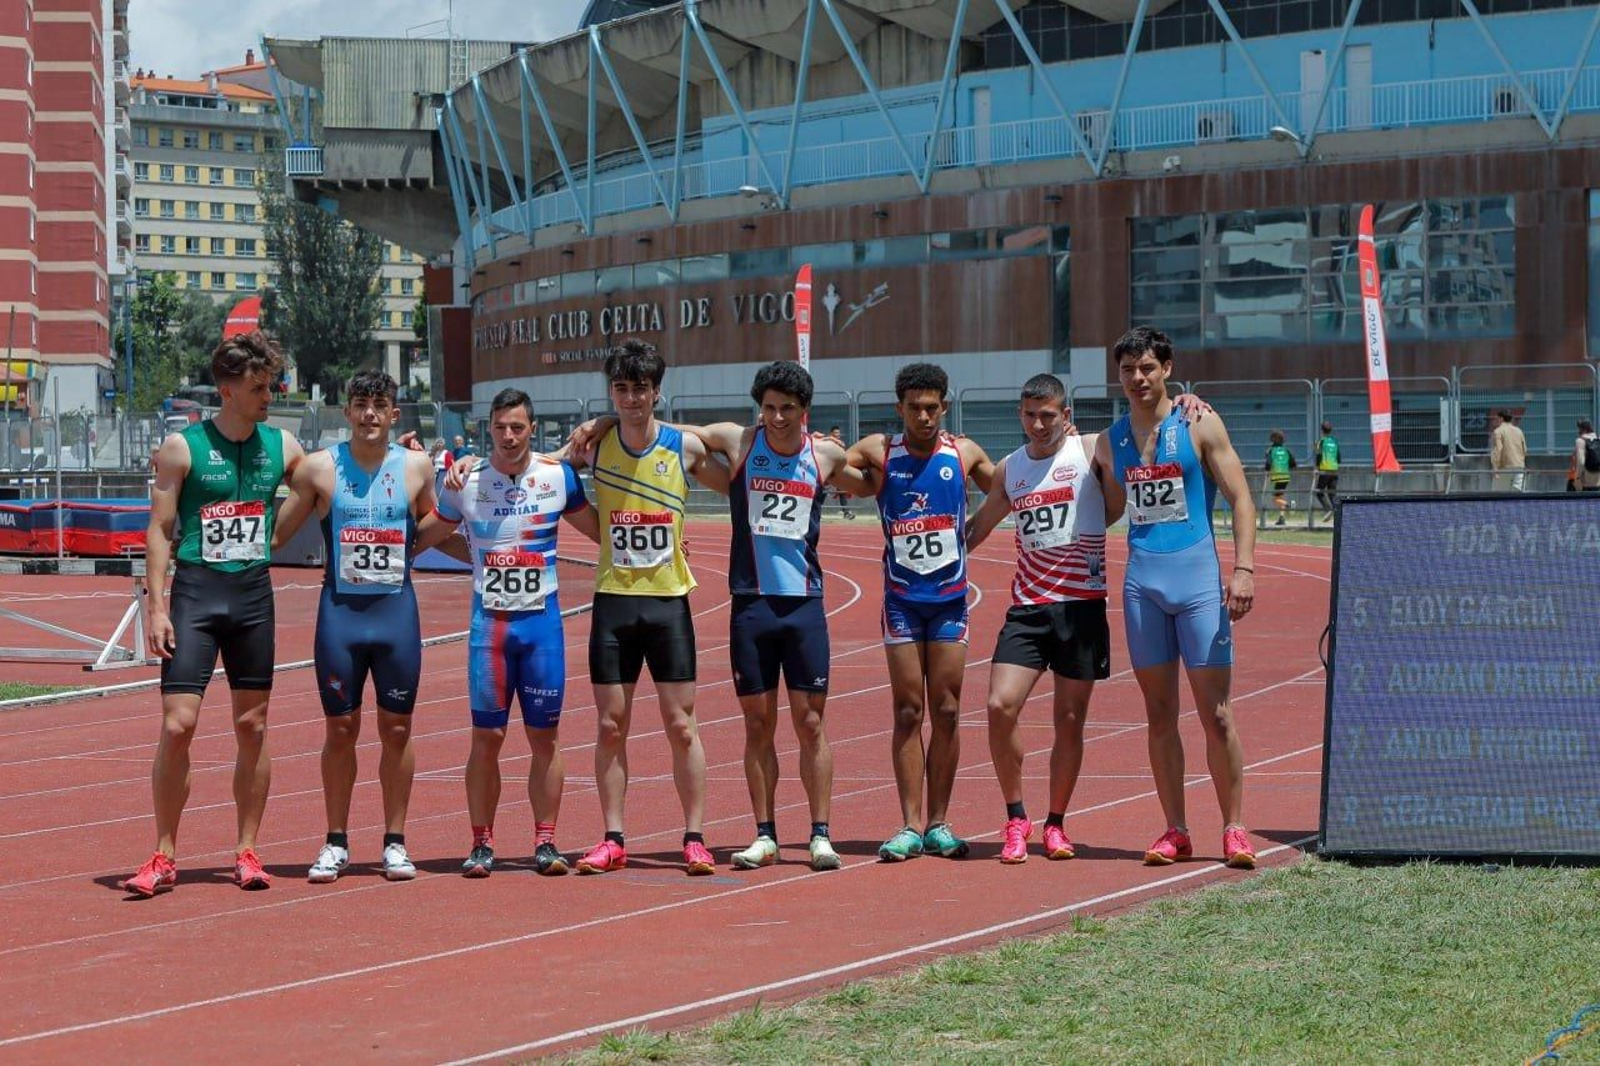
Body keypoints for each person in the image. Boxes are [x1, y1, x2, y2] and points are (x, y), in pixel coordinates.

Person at [572, 362, 868, 872]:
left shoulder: (824, 454)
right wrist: (604, 423)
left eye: (788, 410)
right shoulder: (739, 441)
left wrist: (898, 448)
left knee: (811, 721)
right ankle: (765, 834)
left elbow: (868, 481)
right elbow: (674, 433)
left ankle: (820, 833)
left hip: (803, 605)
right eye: (769, 408)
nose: (777, 418)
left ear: (805, 412)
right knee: (757, 723)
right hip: (750, 602)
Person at [121, 331, 306, 898]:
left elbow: (325, 486)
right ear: (227, 390)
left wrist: (277, 533)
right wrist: (156, 607)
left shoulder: (285, 446)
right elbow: (158, 529)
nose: (268, 394)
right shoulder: (184, 448)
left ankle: (247, 849)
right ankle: (163, 853)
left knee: (253, 726)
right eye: (257, 387)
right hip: (197, 594)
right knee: (179, 725)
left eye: (270, 384)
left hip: (252, 597)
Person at [416, 389, 598, 877]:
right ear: (489, 429)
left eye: (518, 427)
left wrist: (667, 529)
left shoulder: (559, 477)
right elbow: (423, 536)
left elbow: (603, 531)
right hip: (489, 632)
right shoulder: (466, 482)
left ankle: (545, 841)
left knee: (546, 738)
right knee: (487, 737)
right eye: (501, 427)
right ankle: (481, 844)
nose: (510, 436)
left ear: (531, 429)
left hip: (542, 629)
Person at [1099, 325, 1258, 869]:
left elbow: (1241, 497)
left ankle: (1234, 827)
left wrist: (1243, 569)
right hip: (1142, 584)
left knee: (1215, 713)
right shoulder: (1110, 439)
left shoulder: (1199, 421)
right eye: (1127, 370)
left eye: (1147, 368)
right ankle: (1176, 829)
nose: (1137, 378)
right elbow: (1112, 507)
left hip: (1197, 582)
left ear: (1167, 368)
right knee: (1159, 713)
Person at [569, 339, 728, 875]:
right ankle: (613, 837)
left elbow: (739, 480)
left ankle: (694, 838)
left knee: (682, 725)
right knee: (611, 726)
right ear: (611, 393)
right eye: (622, 389)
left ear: (657, 392)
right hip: (614, 602)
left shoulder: (684, 448)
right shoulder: (593, 446)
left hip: (667, 606)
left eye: (641, 388)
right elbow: (539, 471)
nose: (632, 398)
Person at [272, 370, 437, 883]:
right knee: (341, 729)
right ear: (347, 412)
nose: (369, 413)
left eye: (380, 404)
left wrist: (486, 542)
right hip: (340, 617)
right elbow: (276, 536)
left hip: (396, 616)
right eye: (360, 403)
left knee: (398, 728)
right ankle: (336, 841)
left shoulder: (416, 466)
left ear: (394, 414)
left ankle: (395, 842)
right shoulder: (320, 469)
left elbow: (433, 527)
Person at [843, 363, 995, 862]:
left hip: (950, 600)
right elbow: (825, 465)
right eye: (915, 408)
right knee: (909, 710)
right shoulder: (880, 451)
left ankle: (939, 823)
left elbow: (1014, 485)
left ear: (944, 407)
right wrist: (824, 444)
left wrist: (973, 533)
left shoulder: (963, 451)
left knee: (948, 709)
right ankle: (909, 824)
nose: (924, 417)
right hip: (903, 603)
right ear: (899, 409)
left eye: (932, 408)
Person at [964, 374, 1115, 864]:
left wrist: (1185, 403)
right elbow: (980, 526)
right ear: (1020, 414)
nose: (1039, 424)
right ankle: (1015, 816)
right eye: (1030, 415)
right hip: (1028, 609)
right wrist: (929, 554)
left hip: (1082, 608)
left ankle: (1055, 823)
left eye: (1048, 415)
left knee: (1069, 721)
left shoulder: (1090, 450)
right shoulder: (1010, 468)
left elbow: (1143, 432)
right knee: (998, 705)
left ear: (1065, 415)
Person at [1263, 430, 1296, 526]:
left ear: (1273, 439)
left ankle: (1288, 505)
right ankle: (1282, 518)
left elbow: (1268, 464)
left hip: (1276, 477)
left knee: (1275, 499)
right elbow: (1293, 464)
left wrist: (1267, 471)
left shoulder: (1270, 450)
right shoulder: (1286, 450)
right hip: (1285, 476)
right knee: (1279, 496)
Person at [1490, 410, 1527, 492]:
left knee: (1498, 495)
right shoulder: (1519, 431)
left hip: (1504, 467)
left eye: (1496, 418)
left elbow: (1498, 450)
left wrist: (1495, 468)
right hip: (1519, 467)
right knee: (1518, 496)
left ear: (1501, 419)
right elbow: (1524, 450)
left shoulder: (1498, 431)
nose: (1495, 420)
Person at [825, 425, 854, 519]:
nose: (838, 435)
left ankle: (846, 512)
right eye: (836, 433)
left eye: (838, 433)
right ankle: (814, 509)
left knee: (842, 491)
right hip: (827, 470)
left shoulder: (841, 444)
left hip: (838, 470)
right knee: (822, 490)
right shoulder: (828, 442)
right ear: (831, 434)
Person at [1312, 422, 1339, 523]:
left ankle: (1328, 509)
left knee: (1319, 492)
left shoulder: (1321, 442)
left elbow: (1318, 455)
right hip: (1334, 470)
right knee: (1332, 493)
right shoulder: (1335, 441)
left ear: (1322, 430)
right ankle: (1337, 514)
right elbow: (1338, 457)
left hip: (1324, 470)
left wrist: (1316, 469)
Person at [1575, 419, 1600, 492]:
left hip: (1586, 484)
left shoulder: (1580, 441)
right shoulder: (1598, 440)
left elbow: (1581, 462)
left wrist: (1577, 479)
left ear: (1582, 429)